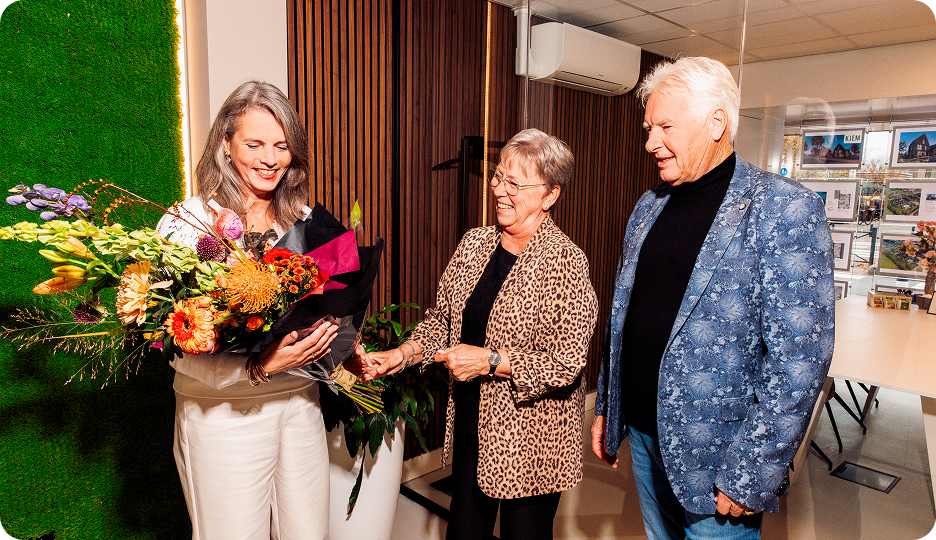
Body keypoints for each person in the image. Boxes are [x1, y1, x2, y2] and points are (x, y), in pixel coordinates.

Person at [590, 57, 835, 540]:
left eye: (666, 127)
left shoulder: (784, 208)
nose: (650, 142)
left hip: (721, 459)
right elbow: (625, 315)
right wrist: (609, 405)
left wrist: (753, 471)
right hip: (644, 435)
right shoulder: (648, 205)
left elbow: (801, 361)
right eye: (649, 128)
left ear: (716, 123)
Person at [360, 128, 598, 540]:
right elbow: (442, 321)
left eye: (515, 184)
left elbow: (566, 364)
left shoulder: (566, 263)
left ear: (550, 195)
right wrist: (401, 355)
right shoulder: (474, 244)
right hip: (473, 428)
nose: (499, 190)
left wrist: (489, 361)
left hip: (532, 441)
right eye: (498, 176)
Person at [156, 80, 336, 540]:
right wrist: (258, 366)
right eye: (254, 144)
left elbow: (324, 307)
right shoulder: (189, 223)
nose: (269, 159)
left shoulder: (303, 221)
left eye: (282, 146)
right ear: (225, 144)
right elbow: (172, 339)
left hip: (301, 402)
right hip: (223, 414)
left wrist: (336, 342)